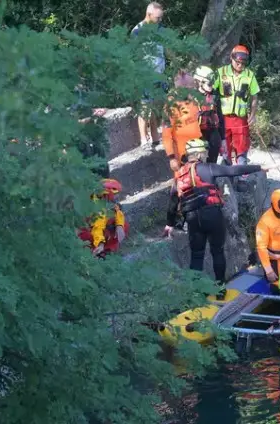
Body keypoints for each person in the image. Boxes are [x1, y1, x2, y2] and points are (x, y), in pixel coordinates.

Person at [166, 139, 273, 295]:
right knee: (217, 251)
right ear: (199, 154)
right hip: (212, 214)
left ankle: (195, 293)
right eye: (205, 152)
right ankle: (220, 289)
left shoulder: (180, 175)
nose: (207, 154)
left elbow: (173, 201)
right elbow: (233, 171)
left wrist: (169, 224)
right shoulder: (208, 168)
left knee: (197, 255)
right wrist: (259, 168)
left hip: (192, 218)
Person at [213, 44, 259, 165]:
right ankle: (226, 167)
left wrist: (253, 115)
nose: (240, 65)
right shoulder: (221, 72)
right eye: (237, 62)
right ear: (231, 58)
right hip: (223, 118)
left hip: (240, 119)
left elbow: (254, 96)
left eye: (243, 63)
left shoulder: (249, 75)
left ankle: (242, 170)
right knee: (225, 148)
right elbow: (210, 91)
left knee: (242, 147)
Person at [131, 2, 166, 150]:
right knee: (145, 106)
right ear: (149, 14)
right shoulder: (137, 31)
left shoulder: (160, 29)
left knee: (155, 106)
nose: (160, 20)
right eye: (158, 17)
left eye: (161, 17)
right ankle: (143, 139)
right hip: (145, 76)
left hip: (159, 75)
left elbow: (167, 48)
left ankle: (155, 136)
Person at [162, 72, 204, 173]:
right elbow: (166, 135)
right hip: (182, 155)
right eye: (190, 88)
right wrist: (171, 158)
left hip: (198, 150)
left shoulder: (193, 101)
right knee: (184, 180)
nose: (193, 90)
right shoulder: (170, 106)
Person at [77, 178, 129, 258]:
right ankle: (95, 252)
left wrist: (119, 225)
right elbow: (98, 227)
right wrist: (100, 244)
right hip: (89, 229)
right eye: (115, 194)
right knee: (86, 235)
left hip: (96, 228)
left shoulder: (105, 200)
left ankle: (106, 250)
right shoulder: (96, 206)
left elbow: (117, 211)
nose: (117, 197)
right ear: (107, 194)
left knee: (124, 225)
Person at [192, 66, 226, 164]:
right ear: (199, 81)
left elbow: (220, 116)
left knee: (216, 141)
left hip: (211, 130)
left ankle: (211, 166)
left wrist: (223, 138)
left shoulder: (214, 95)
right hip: (194, 131)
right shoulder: (190, 95)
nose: (212, 85)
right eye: (210, 82)